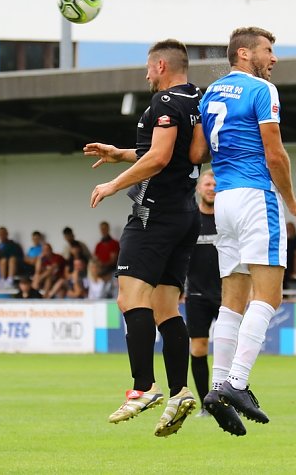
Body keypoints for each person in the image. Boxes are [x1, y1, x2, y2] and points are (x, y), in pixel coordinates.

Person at [190, 26, 296, 436]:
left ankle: (215, 387)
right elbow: (275, 153)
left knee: (233, 300)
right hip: (256, 196)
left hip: (223, 199)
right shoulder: (262, 91)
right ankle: (237, 383)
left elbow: (195, 153)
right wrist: (292, 202)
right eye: (268, 50)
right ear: (244, 54)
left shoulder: (210, 94)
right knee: (270, 295)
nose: (273, 58)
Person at [84, 39, 201, 438]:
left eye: (149, 68)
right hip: (186, 214)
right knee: (166, 307)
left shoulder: (166, 103)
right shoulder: (195, 100)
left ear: (162, 65)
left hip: (155, 215)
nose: (146, 74)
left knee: (130, 298)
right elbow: (188, 153)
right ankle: (180, 391)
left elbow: (161, 157)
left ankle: (143, 387)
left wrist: (115, 183)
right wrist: (121, 152)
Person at [184, 170, 222, 417]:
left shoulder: (227, 219)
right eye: (207, 183)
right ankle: (207, 406)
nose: (211, 187)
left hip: (228, 292)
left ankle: (230, 401)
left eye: (215, 184)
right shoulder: (189, 220)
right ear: (198, 188)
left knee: (230, 348)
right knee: (198, 349)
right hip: (196, 294)